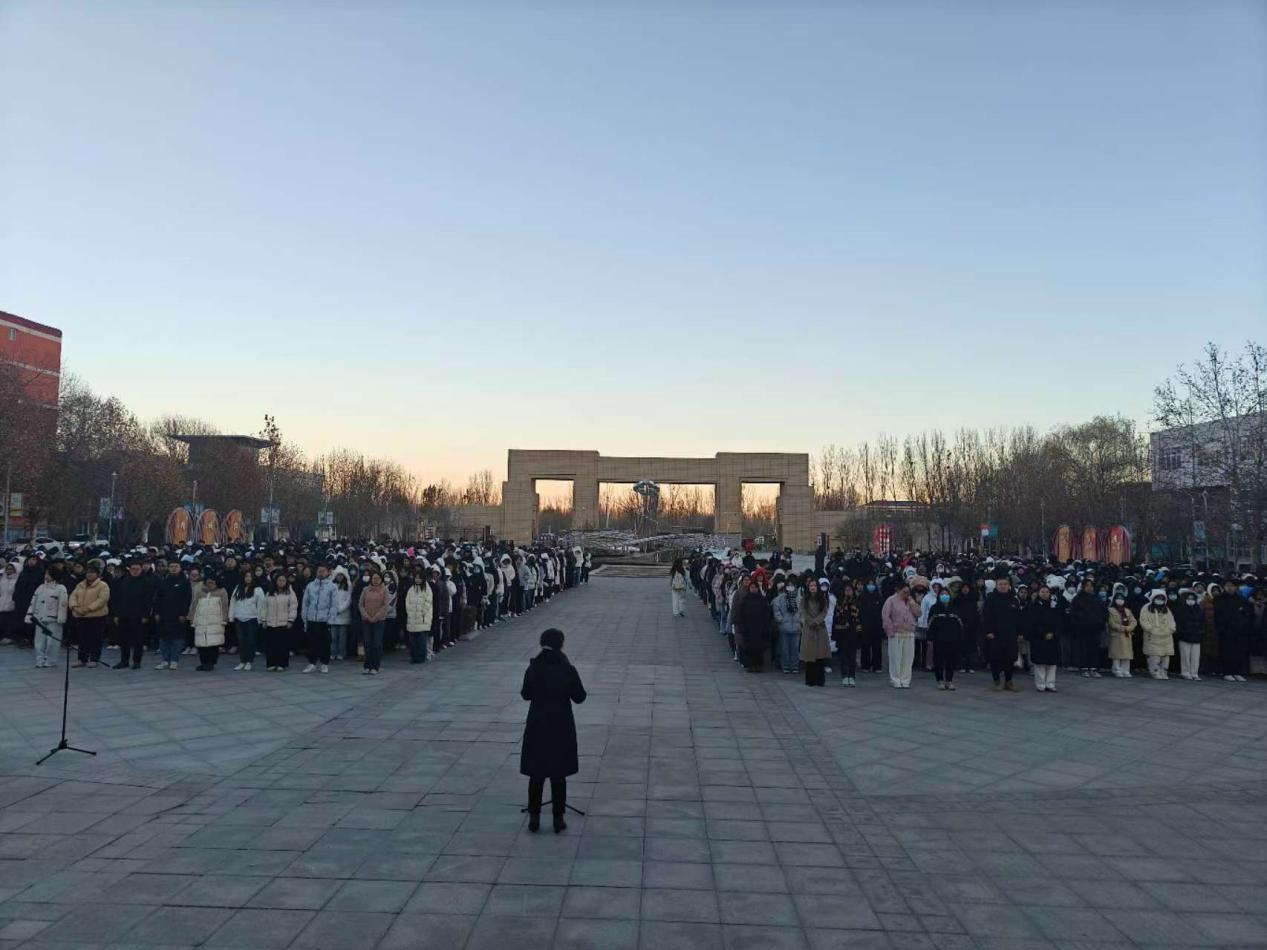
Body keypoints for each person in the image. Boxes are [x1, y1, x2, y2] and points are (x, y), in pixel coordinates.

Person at [520, 628, 587, 833]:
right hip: (560, 723)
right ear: (561, 645)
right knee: (558, 773)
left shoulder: (534, 667)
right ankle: (558, 818)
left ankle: (534, 817)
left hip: (538, 723)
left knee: (536, 773)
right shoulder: (567, 668)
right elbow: (580, 697)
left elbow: (526, 694)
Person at [112, 559, 156, 670]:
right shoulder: (124, 581)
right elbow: (117, 599)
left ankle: (137, 661)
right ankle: (124, 661)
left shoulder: (147, 582)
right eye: (133, 569)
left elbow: (148, 601)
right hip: (124, 615)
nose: (135, 571)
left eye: (137, 569)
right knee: (124, 640)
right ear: (129, 570)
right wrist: (116, 614)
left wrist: (146, 615)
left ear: (141, 570)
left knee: (138, 640)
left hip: (139, 616)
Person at [982, 576, 1021, 691]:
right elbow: (986, 616)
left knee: (1010, 658)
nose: (1003, 586)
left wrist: (1020, 632)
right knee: (995, 658)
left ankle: (1009, 681)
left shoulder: (1014, 600)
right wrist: (988, 631)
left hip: (1010, 634)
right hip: (995, 634)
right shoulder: (991, 599)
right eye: (1000, 584)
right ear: (996, 585)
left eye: (1005, 584)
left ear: (1009, 586)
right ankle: (997, 680)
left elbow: (1019, 618)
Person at [69, 560, 110, 668]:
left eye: (92, 572)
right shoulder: (80, 585)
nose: (89, 574)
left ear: (97, 574)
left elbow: (102, 600)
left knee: (95, 639)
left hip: (97, 617)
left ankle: (94, 659)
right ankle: (81, 659)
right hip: (81, 616)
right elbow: (73, 596)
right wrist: (74, 607)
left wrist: (88, 609)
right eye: (88, 572)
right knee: (82, 639)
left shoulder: (103, 585)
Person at [25, 566, 68, 669]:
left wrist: (61, 617)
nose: (46, 576)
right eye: (45, 574)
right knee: (39, 641)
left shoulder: (61, 588)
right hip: (39, 618)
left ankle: (50, 660)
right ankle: (39, 660)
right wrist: (29, 615)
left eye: (48, 574)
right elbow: (33, 602)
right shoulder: (40, 587)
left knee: (52, 642)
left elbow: (63, 604)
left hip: (54, 619)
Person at [153, 559, 191, 670]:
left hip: (178, 615)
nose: (174, 568)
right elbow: (158, 598)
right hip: (164, 614)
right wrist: (157, 612)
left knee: (177, 639)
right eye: (172, 566)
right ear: (168, 568)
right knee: (163, 638)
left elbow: (187, 599)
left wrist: (183, 613)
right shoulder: (164, 581)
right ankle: (165, 660)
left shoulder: (184, 582)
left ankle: (174, 660)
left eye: (176, 566)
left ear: (180, 568)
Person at [881, 583, 919, 688]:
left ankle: (905, 680)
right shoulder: (891, 600)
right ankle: (895, 679)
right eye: (904, 592)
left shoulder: (911, 601)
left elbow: (919, 614)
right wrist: (890, 630)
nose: (906, 594)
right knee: (896, 658)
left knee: (908, 658)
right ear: (898, 590)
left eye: (908, 592)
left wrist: (913, 604)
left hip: (909, 632)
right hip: (896, 632)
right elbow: (886, 616)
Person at [301, 564, 337, 674]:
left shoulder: (332, 586)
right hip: (311, 618)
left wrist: (330, 619)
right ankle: (312, 663)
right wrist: (305, 617)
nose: (321, 573)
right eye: (319, 571)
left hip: (324, 619)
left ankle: (324, 663)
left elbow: (334, 604)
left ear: (327, 572)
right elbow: (305, 603)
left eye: (323, 571)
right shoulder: (310, 586)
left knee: (325, 642)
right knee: (311, 642)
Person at [1026, 584, 1063, 692]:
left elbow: (1059, 621)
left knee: (1052, 663)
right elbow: (1033, 622)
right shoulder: (1034, 606)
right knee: (1040, 663)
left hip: (1053, 638)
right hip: (1039, 638)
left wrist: (1054, 633)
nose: (1045, 594)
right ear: (1038, 593)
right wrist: (1043, 633)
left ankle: (1050, 684)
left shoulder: (1054, 605)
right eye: (1042, 592)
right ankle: (1040, 684)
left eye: (1047, 592)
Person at [1214, 579, 1251, 682]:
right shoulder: (1219, 598)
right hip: (1225, 630)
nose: (1230, 588)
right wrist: (1221, 627)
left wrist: (1242, 625)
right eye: (1227, 585)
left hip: (1239, 630)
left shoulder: (1241, 599)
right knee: (1227, 652)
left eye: (1232, 586)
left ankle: (1237, 672)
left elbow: (1246, 613)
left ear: (1236, 587)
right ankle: (1227, 672)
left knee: (1238, 652)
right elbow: (1218, 615)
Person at [735, 577, 774, 672]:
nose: (753, 589)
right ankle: (750, 665)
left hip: (760, 628)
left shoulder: (762, 600)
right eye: (751, 587)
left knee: (759, 648)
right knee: (749, 647)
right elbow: (741, 614)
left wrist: (767, 626)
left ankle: (759, 665)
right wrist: (741, 626)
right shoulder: (745, 600)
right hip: (748, 628)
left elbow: (767, 614)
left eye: (755, 587)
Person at [192, 574, 229, 671]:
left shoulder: (222, 591)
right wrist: (192, 618)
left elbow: (225, 606)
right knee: (201, 644)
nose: (210, 583)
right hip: (201, 621)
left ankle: (211, 663)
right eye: (208, 582)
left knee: (213, 644)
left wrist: (224, 619)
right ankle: (203, 663)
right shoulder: (200, 591)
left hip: (216, 622)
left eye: (212, 582)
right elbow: (195, 605)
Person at [262, 573, 298, 671]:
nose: (281, 582)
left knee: (282, 645)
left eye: (283, 580)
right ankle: (271, 663)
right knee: (271, 645)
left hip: (283, 622)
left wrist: (291, 620)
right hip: (270, 622)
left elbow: (293, 607)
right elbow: (264, 607)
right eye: (279, 580)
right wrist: (263, 619)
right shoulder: (269, 593)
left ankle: (282, 664)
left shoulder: (289, 593)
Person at [799, 578, 831, 686]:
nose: (813, 588)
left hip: (820, 628)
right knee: (809, 657)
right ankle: (810, 680)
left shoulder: (823, 599)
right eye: (811, 586)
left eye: (815, 585)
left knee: (820, 656)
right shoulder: (804, 599)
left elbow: (824, 611)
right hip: (809, 629)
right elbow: (803, 611)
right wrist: (810, 621)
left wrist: (817, 621)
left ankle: (820, 680)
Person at [230, 574, 265, 672]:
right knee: (241, 641)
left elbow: (261, 605)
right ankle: (242, 661)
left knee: (251, 641)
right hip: (239, 617)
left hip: (252, 618)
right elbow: (233, 602)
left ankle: (249, 661)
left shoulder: (258, 590)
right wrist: (231, 616)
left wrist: (260, 619)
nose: (248, 578)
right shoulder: (238, 588)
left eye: (250, 576)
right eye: (246, 576)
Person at [928, 590, 962, 690]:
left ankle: (949, 680)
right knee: (938, 660)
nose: (944, 596)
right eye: (942, 594)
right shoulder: (934, 608)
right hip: (938, 639)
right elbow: (930, 623)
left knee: (950, 660)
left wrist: (959, 636)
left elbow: (959, 624)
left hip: (952, 639)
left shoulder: (954, 608)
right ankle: (940, 680)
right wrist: (930, 637)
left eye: (946, 594)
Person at [1139, 589, 1175, 680]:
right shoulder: (1146, 608)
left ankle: (1164, 672)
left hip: (1166, 636)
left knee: (1166, 656)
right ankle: (1155, 672)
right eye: (1158, 598)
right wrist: (1151, 629)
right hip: (1153, 636)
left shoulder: (1166, 609)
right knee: (1154, 656)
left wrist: (1171, 629)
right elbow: (1143, 620)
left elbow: (1172, 621)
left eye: (1162, 598)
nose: (1160, 600)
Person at [359, 569, 390, 675]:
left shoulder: (384, 590)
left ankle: (375, 666)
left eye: (378, 578)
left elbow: (385, 606)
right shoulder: (365, 589)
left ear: (381, 579)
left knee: (376, 643)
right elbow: (361, 605)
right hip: (366, 620)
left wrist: (375, 617)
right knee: (367, 643)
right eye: (373, 578)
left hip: (379, 620)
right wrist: (367, 616)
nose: (375, 580)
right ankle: (367, 665)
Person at [833, 583, 861, 687]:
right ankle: (844, 676)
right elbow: (836, 618)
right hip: (842, 633)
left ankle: (852, 676)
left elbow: (860, 618)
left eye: (850, 590)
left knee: (852, 657)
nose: (848, 592)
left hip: (853, 633)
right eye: (846, 590)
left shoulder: (857, 602)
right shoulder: (840, 603)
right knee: (843, 656)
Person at [772, 578, 801, 674]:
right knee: (784, 649)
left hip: (796, 627)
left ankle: (795, 666)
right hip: (784, 627)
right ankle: (785, 666)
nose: (790, 587)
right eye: (789, 585)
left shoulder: (799, 599)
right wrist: (781, 620)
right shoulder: (780, 599)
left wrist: (801, 621)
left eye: (792, 585)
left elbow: (803, 611)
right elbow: (776, 610)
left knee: (795, 649)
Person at [405, 569, 434, 664]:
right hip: (412, 618)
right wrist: (410, 611)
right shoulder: (411, 589)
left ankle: (421, 657)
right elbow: (407, 601)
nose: (417, 580)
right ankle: (413, 657)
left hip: (423, 619)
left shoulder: (427, 588)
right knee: (413, 641)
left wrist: (422, 612)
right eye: (416, 578)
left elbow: (428, 601)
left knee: (421, 640)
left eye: (419, 578)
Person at [1107, 590, 1138, 677]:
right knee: (1116, 654)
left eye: (1122, 599)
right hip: (1116, 635)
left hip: (1127, 635)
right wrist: (1122, 628)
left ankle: (1126, 670)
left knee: (1127, 654)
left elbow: (1134, 621)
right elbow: (1111, 623)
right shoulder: (1111, 610)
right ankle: (1116, 669)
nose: (1120, 600)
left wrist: (1130, 628)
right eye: (1118, 598)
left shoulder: (1127, 611)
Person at [1175, 588, 1204, 680]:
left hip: (1197, 636)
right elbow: (1179, 623)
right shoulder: (1180, 609)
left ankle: (1194, 673)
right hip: (1184, 636)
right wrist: (1182, 633)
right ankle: (1185, 672)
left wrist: (1201, 632)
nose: (1191, 600)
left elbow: (1202, 622)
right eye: (1189, 599)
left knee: (1195, 656)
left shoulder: (1198, 609)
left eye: (1192, 599)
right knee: (1185, 656)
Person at [330, 570, 352, 661]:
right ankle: (333, 653)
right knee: (333, 636)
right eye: (338, 575)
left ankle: (341, 653)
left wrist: (341, 609)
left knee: (342, 636)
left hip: (344, 614)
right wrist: (334, 609)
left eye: (341, 575)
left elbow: (348, 599)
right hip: (333, 614)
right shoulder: (332, 585)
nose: (339, 577)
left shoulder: (348, 585)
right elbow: (329, 598)